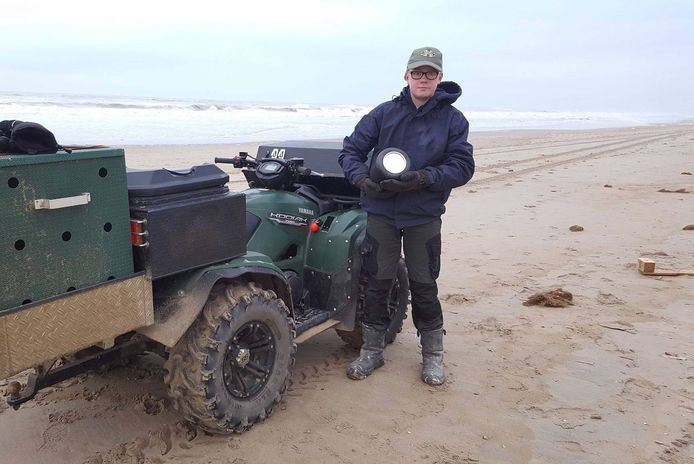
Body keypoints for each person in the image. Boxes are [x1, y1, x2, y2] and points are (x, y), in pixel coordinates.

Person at [338, 46, 475, 385]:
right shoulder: (384, 114)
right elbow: (351, 151)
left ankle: (433, 356)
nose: (423, 79)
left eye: (430, 73)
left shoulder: (453, 120)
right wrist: (361, 179)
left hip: (422, 213)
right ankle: (371, 351)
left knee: (424, 283)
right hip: (381, 211)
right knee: (377, 282)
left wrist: (424, 178)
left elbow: (462, 166)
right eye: (418, 72)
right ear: (406, 75)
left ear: (440, 77)